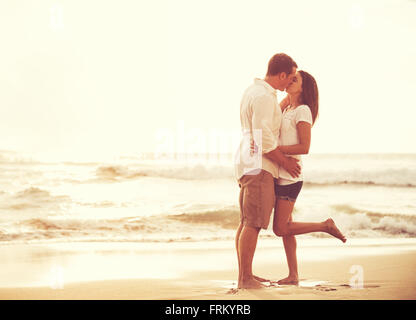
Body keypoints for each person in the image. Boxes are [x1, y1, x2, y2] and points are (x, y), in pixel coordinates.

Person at [272, 70, 346, 286]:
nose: (289, 81)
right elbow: (271, 118)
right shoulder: (288, 108)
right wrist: (287, 96)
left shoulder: (303, 110)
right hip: (281, 174)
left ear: (304, 88)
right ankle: (293, 275)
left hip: (291, 177)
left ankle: (325, 225)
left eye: (295, 80)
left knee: (280, 229)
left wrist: (276, 149)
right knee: (288, 227)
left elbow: (305, 147)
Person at [234, 53, 301, 289]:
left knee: (245, 222)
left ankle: (245, 274)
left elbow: (261, 128)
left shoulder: (254, 91)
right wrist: (285, 161)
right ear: (281, 74)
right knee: (253, 223)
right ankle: (245, 279)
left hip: (246, 161)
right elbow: (264, 139)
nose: (289, 82)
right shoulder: (264, 97)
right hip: (259, 165)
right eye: (290, 77)